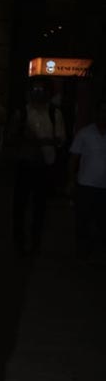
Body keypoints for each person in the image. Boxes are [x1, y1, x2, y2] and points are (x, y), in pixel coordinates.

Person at [9, 81, 66, 255]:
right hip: (25, 164)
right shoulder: (23, 112)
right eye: (35, 90)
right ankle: (19, 242)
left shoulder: (54, 113)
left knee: (40, 207)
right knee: (20, 206)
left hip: (44, 166)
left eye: (41, 90)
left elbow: (60, 139)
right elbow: (12, 137)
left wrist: (38, 141)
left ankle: (35, 243)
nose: (38, 93)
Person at [68, 98, 106, 261]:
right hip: (86, 185)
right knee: (83, 220)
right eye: (102, 111)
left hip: (103, 187)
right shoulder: (85, 133)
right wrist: (70, 181)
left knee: (101, 221)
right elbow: (73, 159)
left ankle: (96, 252)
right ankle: (82, 252)